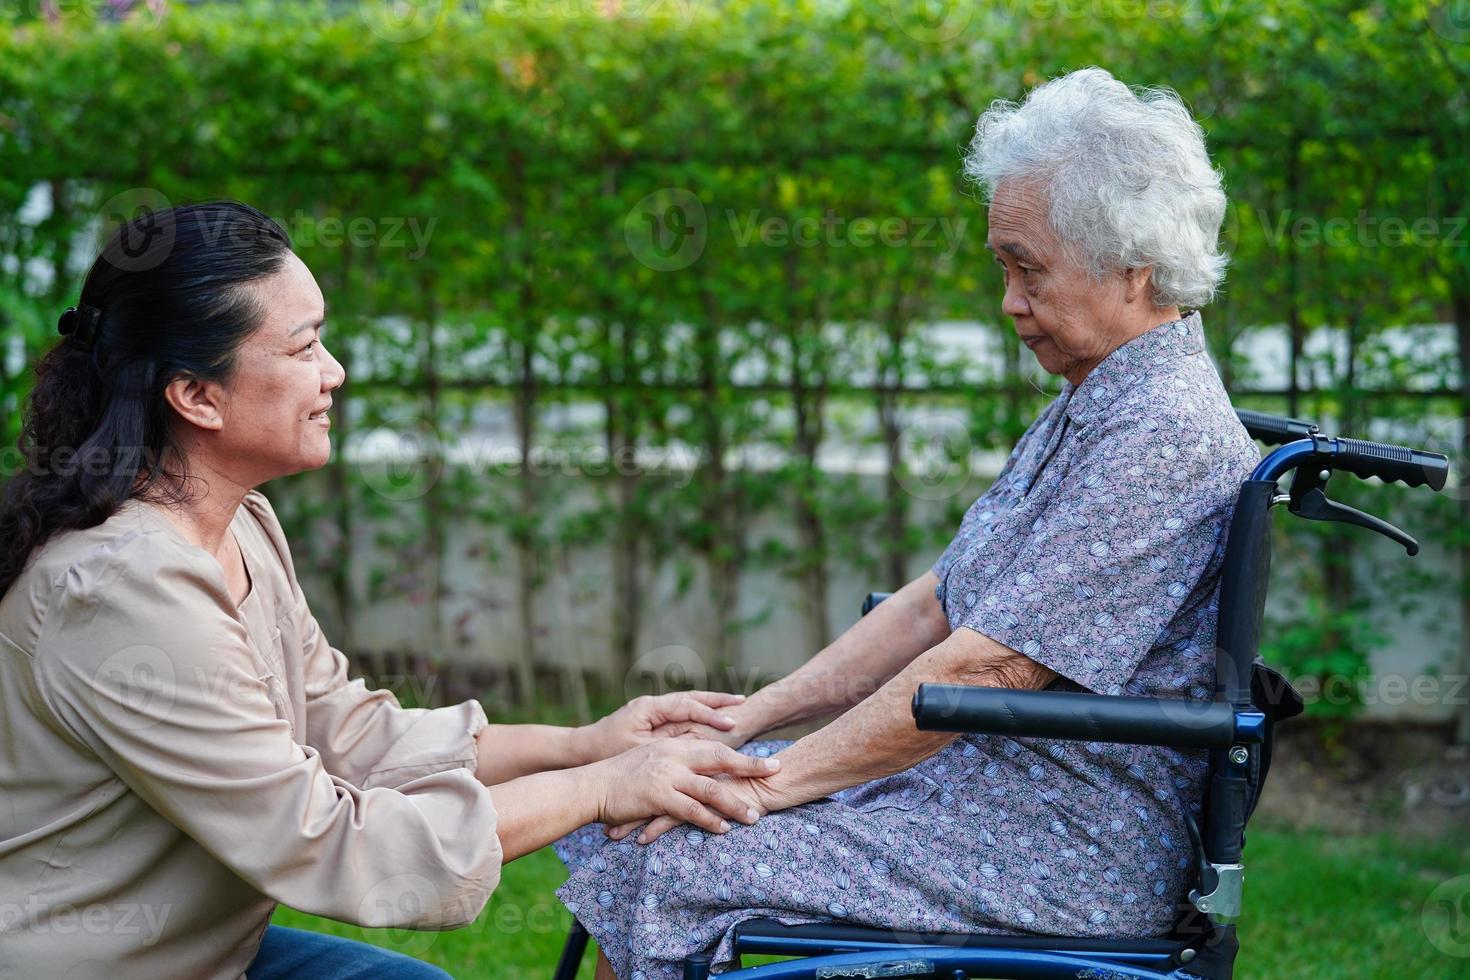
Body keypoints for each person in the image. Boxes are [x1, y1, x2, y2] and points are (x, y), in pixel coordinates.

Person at [554, 66, 1261, 979]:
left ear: (1132, 265)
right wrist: (748, 724)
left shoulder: (1161, 432)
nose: (1008, 300)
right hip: (979, 795)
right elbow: (939, 606)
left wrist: (771, 786)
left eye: (1027, 269)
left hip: (1060, 849)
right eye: (1003, 266)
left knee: (676, 843)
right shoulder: (1102, 397)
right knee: (655, 805)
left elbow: (987, 666)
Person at [0, 202, 780, 980]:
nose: (334, 371)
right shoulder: (121, 587)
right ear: (196, 395)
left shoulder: (238, 527)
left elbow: (348, 732)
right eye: (304, 347)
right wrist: (597, 789)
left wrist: (585, 744)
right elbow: (330, 841)